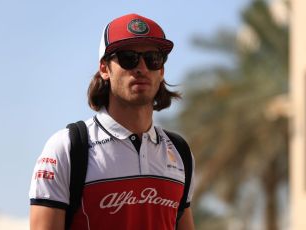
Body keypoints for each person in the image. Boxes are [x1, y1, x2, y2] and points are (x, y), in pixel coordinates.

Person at [29, 13, 195, 230]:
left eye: (153, 58)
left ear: (161, 70)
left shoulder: (180, 152)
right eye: (128, 57)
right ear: (104, 69)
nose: (141, 68)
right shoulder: (66, 147)